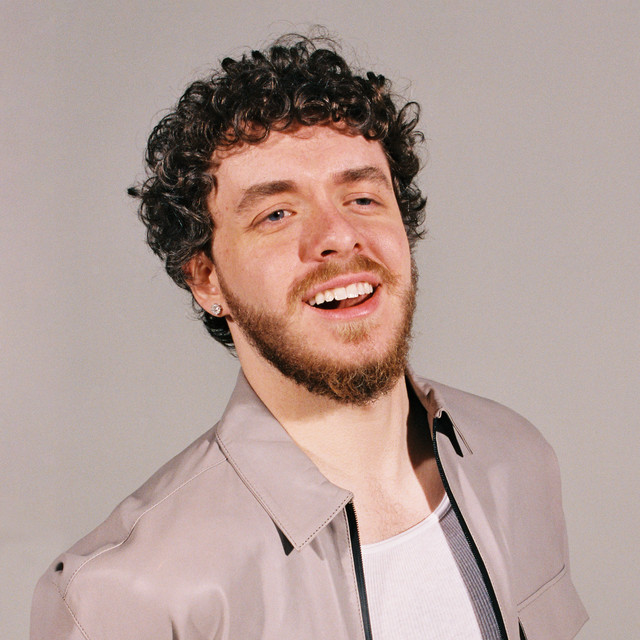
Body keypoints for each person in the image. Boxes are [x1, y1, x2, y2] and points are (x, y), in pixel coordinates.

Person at [31, 34, 588, 640]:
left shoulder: (516, 457)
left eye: (363, 197)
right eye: (276, 213)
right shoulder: (124, 596)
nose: (340, 235)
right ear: (207, 279)